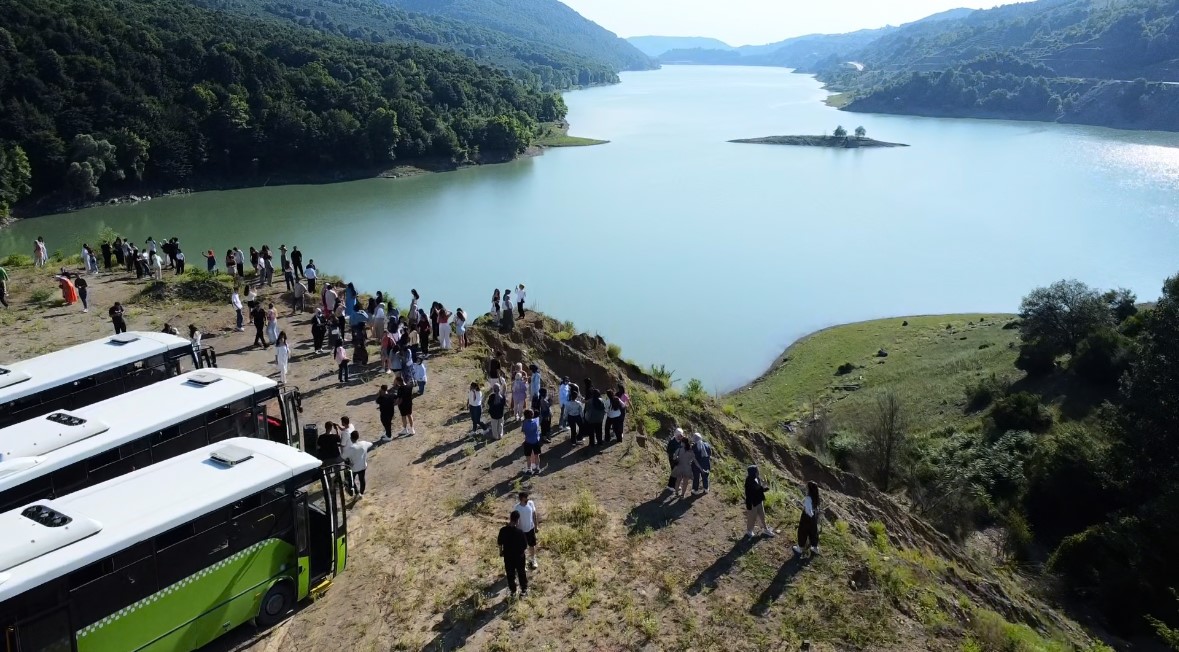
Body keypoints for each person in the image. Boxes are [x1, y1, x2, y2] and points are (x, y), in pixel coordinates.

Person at [498, 511, 529, 599]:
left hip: (508, 556)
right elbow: (524, 546)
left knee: (510, 574)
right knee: (521, 573)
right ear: (517, 520)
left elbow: (500, 543)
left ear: (510, 518)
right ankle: (524, 590)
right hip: (519, 556)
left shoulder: (503, 530)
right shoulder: (520, 532)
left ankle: (513, 591)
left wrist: (501, 552)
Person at [744, 465, 775, 538]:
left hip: (759, 500)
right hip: (752, 503)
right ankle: (749, 531)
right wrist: (764, 487)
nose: (758, 471)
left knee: (762, 515)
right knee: (752, 517)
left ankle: (765, 529)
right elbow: (756, 489)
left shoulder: (757, 478)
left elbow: (759, 489)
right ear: (754, 472)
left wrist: (764, 488)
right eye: (757, 470)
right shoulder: (749, 481)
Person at [342, 431, 373, 498]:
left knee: (350, 480)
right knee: (362, 480)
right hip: (363, 466)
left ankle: (356, 492)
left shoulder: (351, 448)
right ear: (358, 437)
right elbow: (371, 444)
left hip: (354, 468)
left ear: (351, 438)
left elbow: (343, 457)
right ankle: (361, 494)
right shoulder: (364, 443)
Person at [793, 482, 822, 556]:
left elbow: (808, 510)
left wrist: (808, 512)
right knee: (813, 532)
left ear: (809, 489)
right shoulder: (816, 497)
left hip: (806, 517)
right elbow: (814, 508)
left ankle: (800, 548)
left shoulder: (808, 498)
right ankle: (815, 548)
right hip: (814, 518)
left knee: (802, 531)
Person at [514, 492, 540, 570]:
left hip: (530, 528)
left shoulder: (531, 503)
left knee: (532, 545)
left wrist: (536, 526)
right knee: (522, 548)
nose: (527, 498)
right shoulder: (517, 507)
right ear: (521, 498)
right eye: (526, 497)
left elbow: (534, 515)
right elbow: (516, 520)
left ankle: (533, 560)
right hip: (521, 531)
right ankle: (523, 563)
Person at [521, 408, 542, 475]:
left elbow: (523, 431)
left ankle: (529, 469)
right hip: (535, 441)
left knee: (528, 456)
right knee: (536, 455)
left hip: (528, 441)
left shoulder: (524, 423)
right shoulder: (535, 421)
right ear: (532, 415)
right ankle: (537, 468)